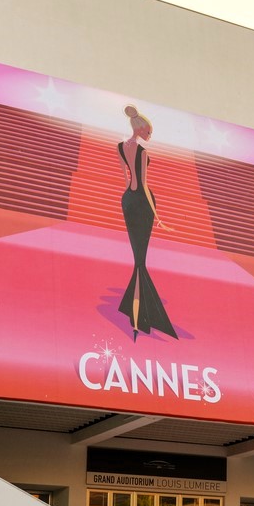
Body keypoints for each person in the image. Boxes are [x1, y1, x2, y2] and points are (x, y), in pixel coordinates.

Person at [116, 105, 177, 339]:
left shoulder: (121, 147)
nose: (149, 136)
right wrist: (159, 218)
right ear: (140, 129)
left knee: (138, 261)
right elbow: (143, 185)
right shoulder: (141, 153)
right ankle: (139, 317)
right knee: (140, 261)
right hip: (143, 203)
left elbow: (126, 180)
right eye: (148, 132)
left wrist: (129, 200)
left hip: (128, 202)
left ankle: (135, 315)